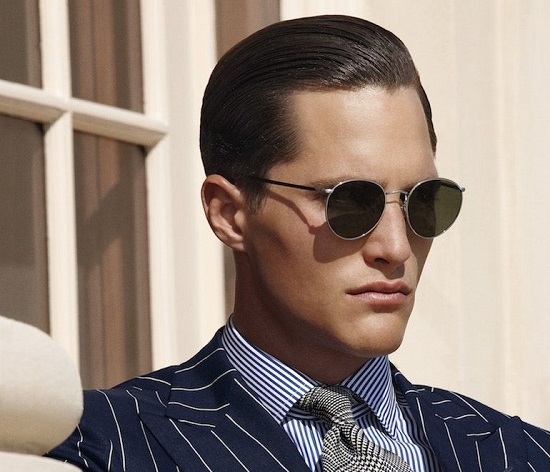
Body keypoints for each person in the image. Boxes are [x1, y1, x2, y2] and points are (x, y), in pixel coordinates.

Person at [48, 15, 550, 471]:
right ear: (229, 214)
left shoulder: (524, 454)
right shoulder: (100, 448)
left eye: (423, 202)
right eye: (350, 202)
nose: (396, 247)